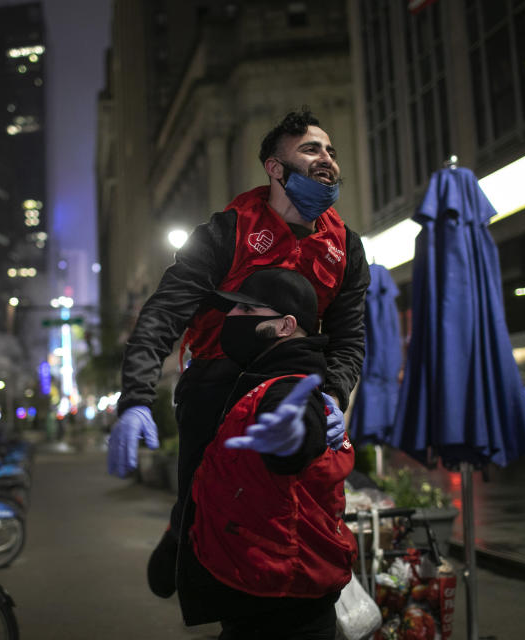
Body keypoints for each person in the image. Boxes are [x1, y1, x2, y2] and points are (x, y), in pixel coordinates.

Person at [106, 109, 369, 594]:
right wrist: (137, 399)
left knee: (295, 514)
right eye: (311, 148)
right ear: (274, 167)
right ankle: (188, 533)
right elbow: (162, 314)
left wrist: (334, 394)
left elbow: (350, 337)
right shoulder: (226, 233)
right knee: (211, 513)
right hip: (217, 385)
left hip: (294, 389)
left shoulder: (346, 247)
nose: (327, 158)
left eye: (331, 150)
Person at [175, 268, 357, 638]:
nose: (232, 318)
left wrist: (288, 438)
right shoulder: (262, 380)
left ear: (285, 326)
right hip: (267, 598)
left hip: (281, 609)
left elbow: (294, 440)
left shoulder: (288, 386)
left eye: (246, 311)